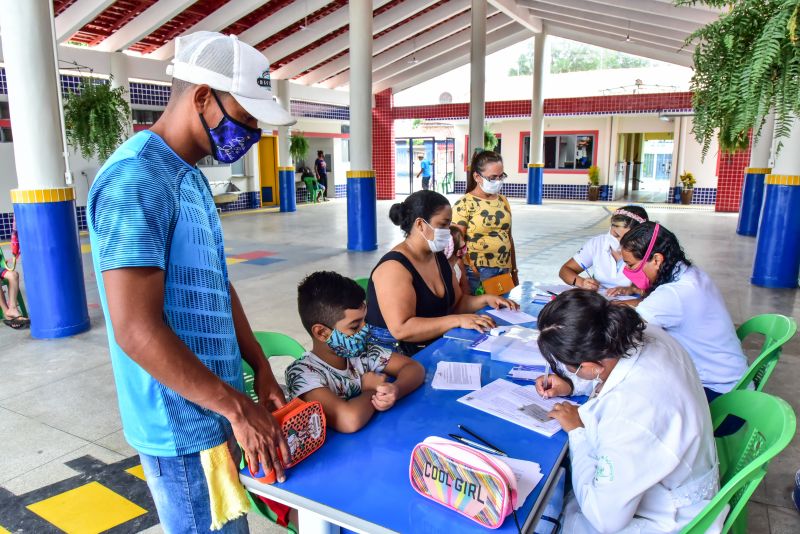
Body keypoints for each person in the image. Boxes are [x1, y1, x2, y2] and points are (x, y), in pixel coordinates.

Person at [87, 31, 296, 533]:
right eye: (244, 120)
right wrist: (238, 409)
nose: (249, 136)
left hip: (215, 409)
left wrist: (258, 368)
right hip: (179, 429)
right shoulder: (135, 178)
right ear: (202, 97)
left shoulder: (190, 175)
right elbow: (135, 330)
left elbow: (217, 284)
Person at [535, 290, 723, 534]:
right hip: (680, 470)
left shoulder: (630, 412)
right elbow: (611, 369)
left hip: (667, 518)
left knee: (550, 508)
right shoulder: (644, 334)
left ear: (591, 367)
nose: (563, 370)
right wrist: (571, 384)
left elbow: (605, 519)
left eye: (566, 367)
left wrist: (578, 431)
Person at [366, 190, 517, 356]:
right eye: (443, 225)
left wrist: (486, 299)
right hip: (393, 357)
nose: (448, 231)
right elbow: (402, 329)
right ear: (420, 225)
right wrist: (457, 320)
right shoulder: (394, 268)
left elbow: (457, 303)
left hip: (430, 348)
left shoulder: (438, 257)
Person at [618, 222, 747, 400]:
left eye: (631, 265)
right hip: (736, 385)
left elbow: (621, 329)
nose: (628, 272)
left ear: (656, 260)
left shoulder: (673, 294)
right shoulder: (692, 275)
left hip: (721, 397)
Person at [286, 271, 425, 433]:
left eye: (364, 320)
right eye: (354, 326)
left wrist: (396, 390)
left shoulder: (362, 352)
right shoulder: (302, 374)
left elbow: (413, 368)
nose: (365, 329)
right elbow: (348, 420)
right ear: (322, 333)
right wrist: (371, 390)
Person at [453, 150, 518, 293]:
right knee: (480, 313)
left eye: (501, 176)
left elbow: (508, 237)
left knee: (502, 311)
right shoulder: (464, 204)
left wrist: (514, 269)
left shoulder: (503, 201)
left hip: (503, 269)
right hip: (476, 272)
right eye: (493, 177)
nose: (498, 181)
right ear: (477, 176)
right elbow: (455, 244)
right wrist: (463, 275)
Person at [558, 206, 649, 292]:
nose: (617, 240)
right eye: (615, 234)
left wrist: (633, 290)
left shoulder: (648, 250)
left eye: (625, 238)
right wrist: (581, 282)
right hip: (599, 299)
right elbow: (566, 270)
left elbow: (657, 288)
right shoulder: (597, 244)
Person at [445, 225, 471, 296]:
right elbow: (465, 286)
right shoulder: (458, 262)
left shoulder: (458, 262)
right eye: (461, 239)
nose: (464, 242)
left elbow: (464, 286)